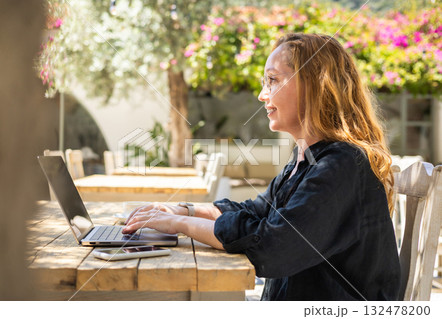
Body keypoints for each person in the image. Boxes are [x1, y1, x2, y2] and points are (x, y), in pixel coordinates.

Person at [123, 33, 400, 301]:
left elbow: (273, 246)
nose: (261, 95)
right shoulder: (308, 159)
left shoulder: (341, 165)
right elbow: (255, 212)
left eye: (272, 81)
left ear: (314, 84)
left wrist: (180, 223)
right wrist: (182, 211)